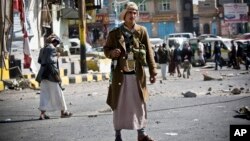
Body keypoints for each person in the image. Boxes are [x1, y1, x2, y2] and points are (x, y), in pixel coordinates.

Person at [103, 2, 157, 141]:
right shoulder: (115, 33)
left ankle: (141, 134)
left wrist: (153, 71)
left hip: (137, 76)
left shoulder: (142, 31)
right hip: (120, 76)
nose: (133, 15)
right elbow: (106, 50)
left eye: (135, 12)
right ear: (124, 15)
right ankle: (118, 136)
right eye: (130, 12)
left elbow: (150, 53)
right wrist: (111, 53)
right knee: (119, 105)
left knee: (139, 104)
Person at [36, 33, 72, 120]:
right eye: (56, 43)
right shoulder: (52, 48)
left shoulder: (42, 49)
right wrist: (57, 56)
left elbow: (40, 60)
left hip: (43, 74)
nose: (56, 45)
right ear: (54, 42)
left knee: (44, 94)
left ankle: (42, 114)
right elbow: (50, 61)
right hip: (51, 74)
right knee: (58, 93)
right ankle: (63, 112)